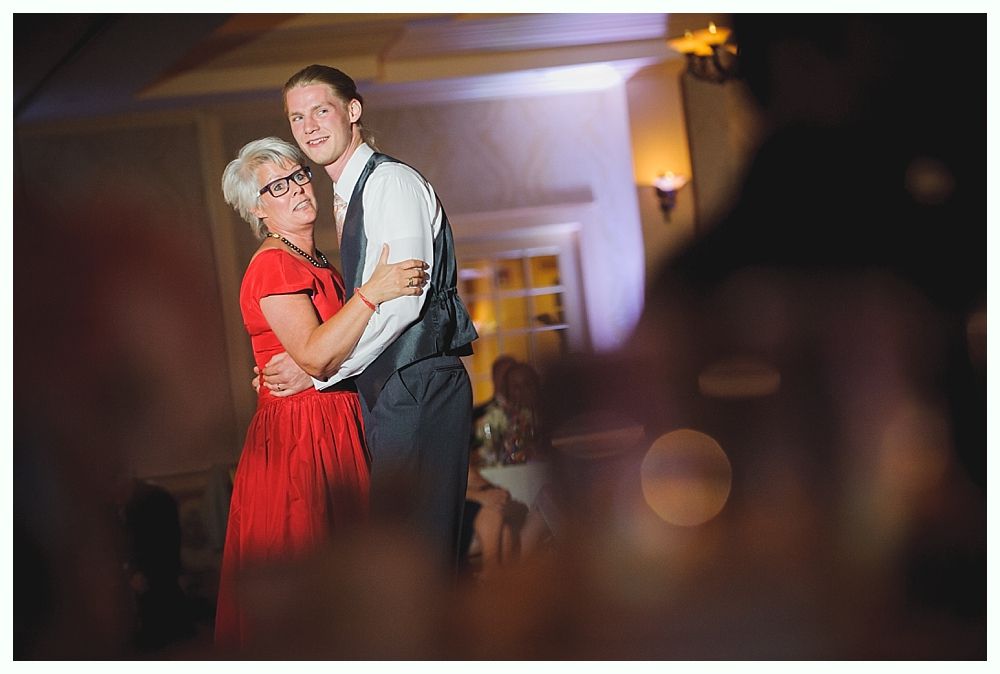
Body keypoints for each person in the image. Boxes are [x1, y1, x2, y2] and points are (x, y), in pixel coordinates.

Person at [260, 65, 479, 573]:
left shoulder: (391, 184)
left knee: (415, 564)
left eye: (321, 110)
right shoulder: (348, 197)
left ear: (352, 111)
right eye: (297, 118)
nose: (309, 126)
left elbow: (402, 302)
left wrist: (319, 369)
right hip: (393, 390)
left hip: (419, 381)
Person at [215, 136, 429, 650]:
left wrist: (317, 363)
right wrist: (372, 292)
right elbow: (315, 354)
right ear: (257, 208)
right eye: (278, 185)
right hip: (302, 440)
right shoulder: (273, 264)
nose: (297, 189)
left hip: (331, 420)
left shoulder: (311, 260)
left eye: (300, 175)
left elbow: (322, 357)